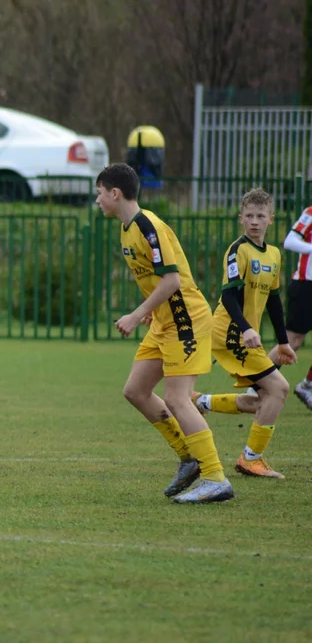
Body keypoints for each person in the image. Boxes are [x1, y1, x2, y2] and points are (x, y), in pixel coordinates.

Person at [94, 163, 233, 503]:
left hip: (186, 321)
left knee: (176, 398)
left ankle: (215, 477)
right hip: (163, 321)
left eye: (99, 193)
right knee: (136, 390)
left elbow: (172, 281)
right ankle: (188, 457)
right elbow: (159, 281)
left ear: (114, 193)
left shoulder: (147, 226)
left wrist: (137, 312)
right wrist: (151, 312)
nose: (96, 200)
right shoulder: (126, 229)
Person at [192, 189, 297, 478]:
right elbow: (228, 297)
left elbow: (274, 301)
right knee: (279, 389)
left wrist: (285, 342)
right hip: (229, 333)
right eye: (249, 216)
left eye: (260, 216)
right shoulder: (238, 250)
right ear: (241, 219)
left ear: (270, 220)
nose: (254, 222)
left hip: (244, 336)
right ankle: (251, 459)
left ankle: (200, 402)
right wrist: (247, 328)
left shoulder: (274, 254)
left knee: (265, 400)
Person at [265, 201, 312, 408]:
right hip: (306, 285)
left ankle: (308, 385)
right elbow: (290, 241)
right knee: (292, 341)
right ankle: (257, 384)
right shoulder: (310, 212)